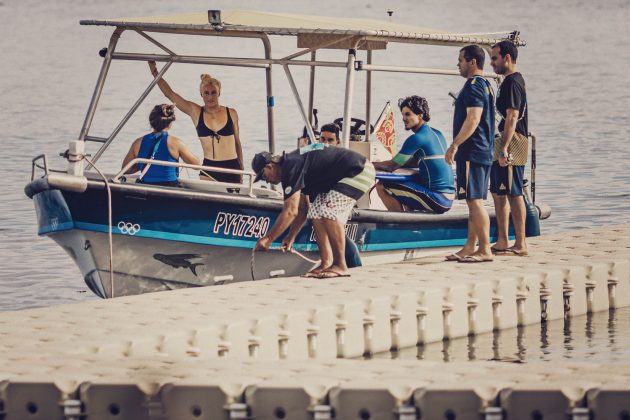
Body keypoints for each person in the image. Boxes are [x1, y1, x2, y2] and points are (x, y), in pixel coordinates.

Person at [252, 144, 375, 278]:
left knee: (329, 212)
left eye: (264, 177)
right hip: (338, 178)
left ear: (269, 167)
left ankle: (340, 265)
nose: (267, 181)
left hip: (359, 171)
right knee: (315, 213)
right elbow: (303, 209)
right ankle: (326, 262)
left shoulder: (291, 166)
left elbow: (290, 211)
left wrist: (268, 239)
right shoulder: (293, 165)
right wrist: (291, 236)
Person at [148, 61, 243, 183]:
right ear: (201, 94)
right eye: (206, 93)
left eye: (213, 92)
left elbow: (237, 143)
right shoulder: (196, 112)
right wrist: (154, 72)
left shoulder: (232, 113)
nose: (210, 97)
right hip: (209, 170)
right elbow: (170, 94)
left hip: (232, 168)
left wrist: (241, 168)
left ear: (219, 93)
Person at [445, 45, 495, 263]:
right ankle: (470, 246)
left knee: (475, 201)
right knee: (473, 201)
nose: (458, 64)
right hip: (482, 150)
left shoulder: (474, 86)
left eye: (461, 60)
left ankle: (485, 249)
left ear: (472, 62)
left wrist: (454, 145)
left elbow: (473, 119)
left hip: (472, 151)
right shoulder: (487, 85)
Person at [373, 96, 455, 213]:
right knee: (406, 186)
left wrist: (366, 163)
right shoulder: (437, 134)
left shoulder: (417, 138)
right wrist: (392, 162)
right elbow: (415, 162)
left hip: (438, 199)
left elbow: (390, 167)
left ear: (420, 115)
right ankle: (410, 218)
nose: (403, 118)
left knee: (382, 185)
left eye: (408, 114)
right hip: (448, 198)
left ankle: (400, 225)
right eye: (403, 115)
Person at [489, 40, 529, 257]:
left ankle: (521, 244)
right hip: (503, 140)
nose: (492, 63)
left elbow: (513, 115)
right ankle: (503, 240)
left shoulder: (514, 82)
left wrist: (504, 147)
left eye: (495, 58)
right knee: (498, 191)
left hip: (513, 141)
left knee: (514, 192)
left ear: (507, 58)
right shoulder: (507, 82)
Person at [122, 104, 200, 186]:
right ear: (170, 124)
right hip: (170, 189)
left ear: (151, 122)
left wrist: (144, 165)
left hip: (146, 188)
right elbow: (196, 165)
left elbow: (126, 169)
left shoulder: (137, 143)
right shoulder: (176, 143)